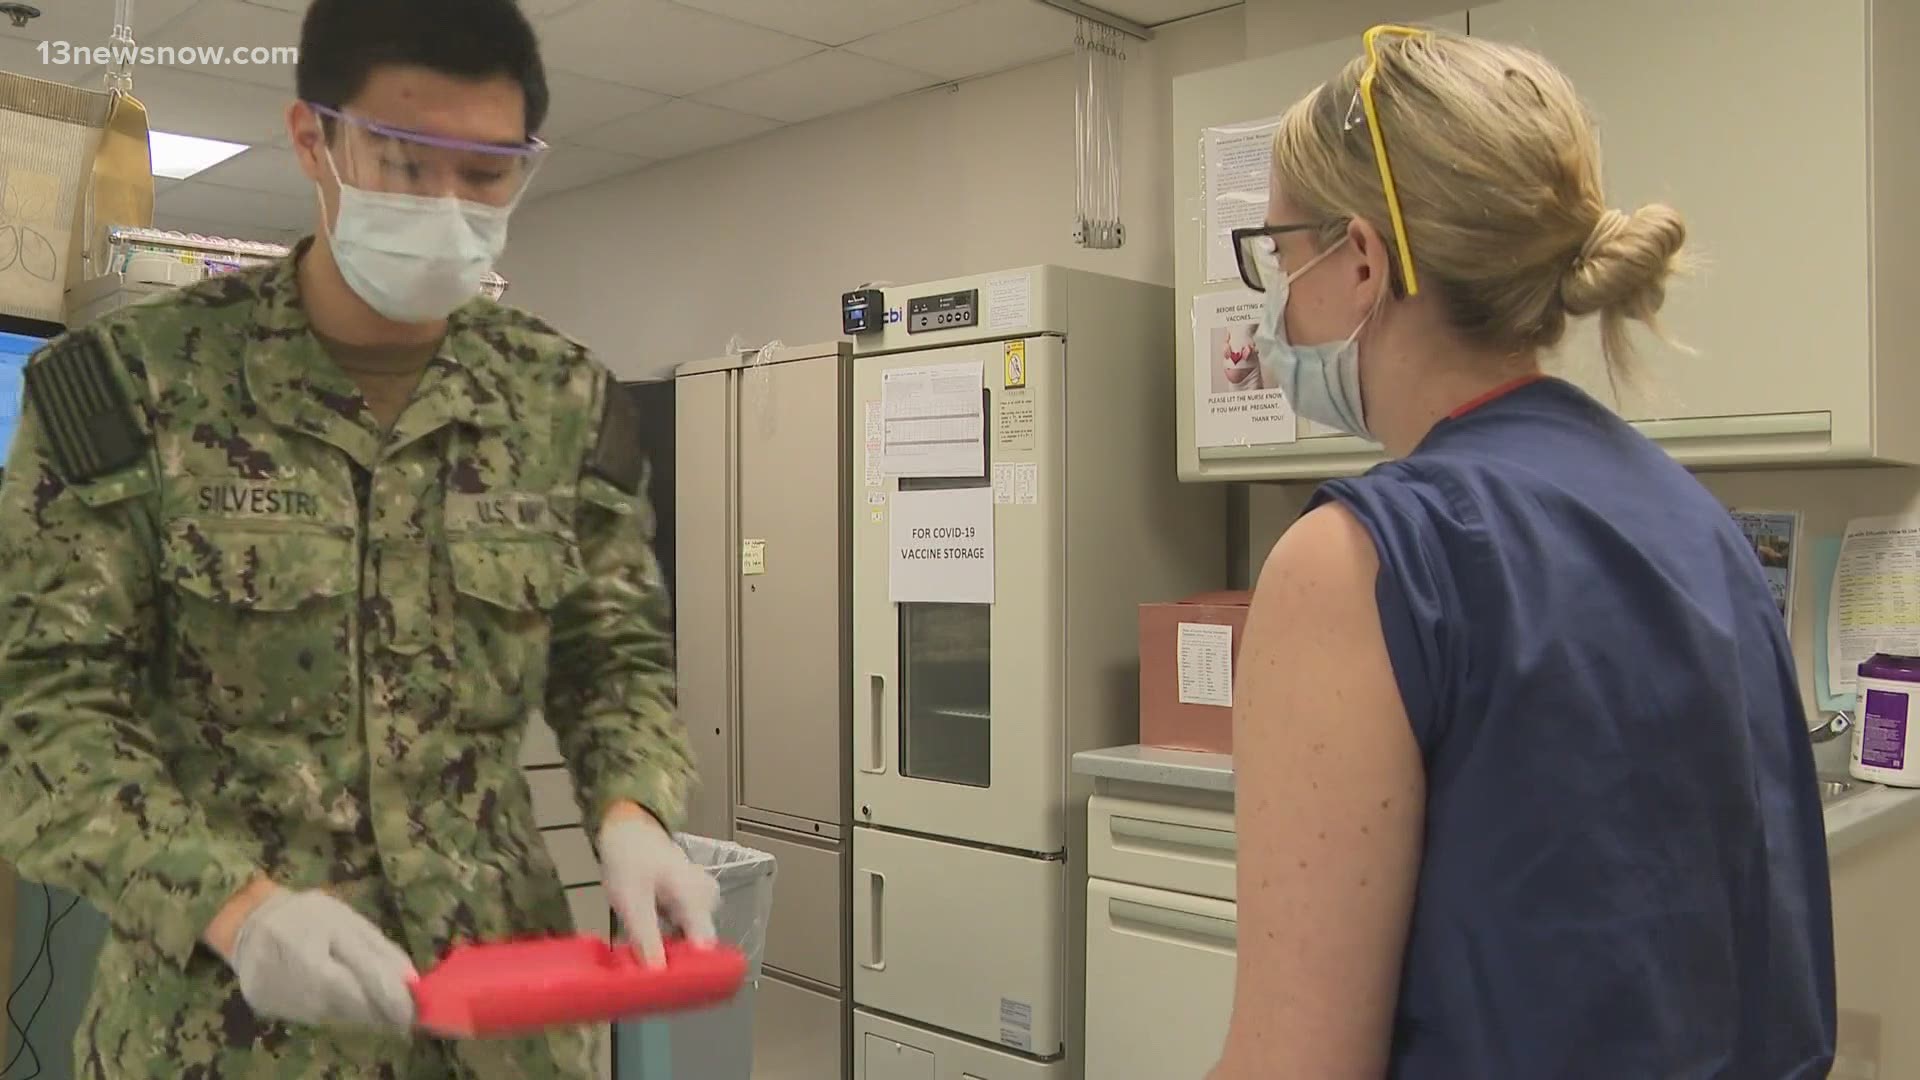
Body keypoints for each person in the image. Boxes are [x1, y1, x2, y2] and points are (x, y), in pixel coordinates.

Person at [0, 0, 720, 1075]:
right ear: (312, 139)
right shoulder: (130, 391)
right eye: (404, 160)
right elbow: (43, 717)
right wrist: (234, 907)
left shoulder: (560, 398)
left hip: (500, 1024)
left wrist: (635, 810)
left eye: (487, 175)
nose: (447, 204)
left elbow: (612, 661)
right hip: (223, 1031)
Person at [1207, 25, 1835, 1080]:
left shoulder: (1355, 563)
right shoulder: (1700, 527)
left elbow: (1295, 1065)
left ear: (1361, 260)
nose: (1276, 310)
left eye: (1278, 257)